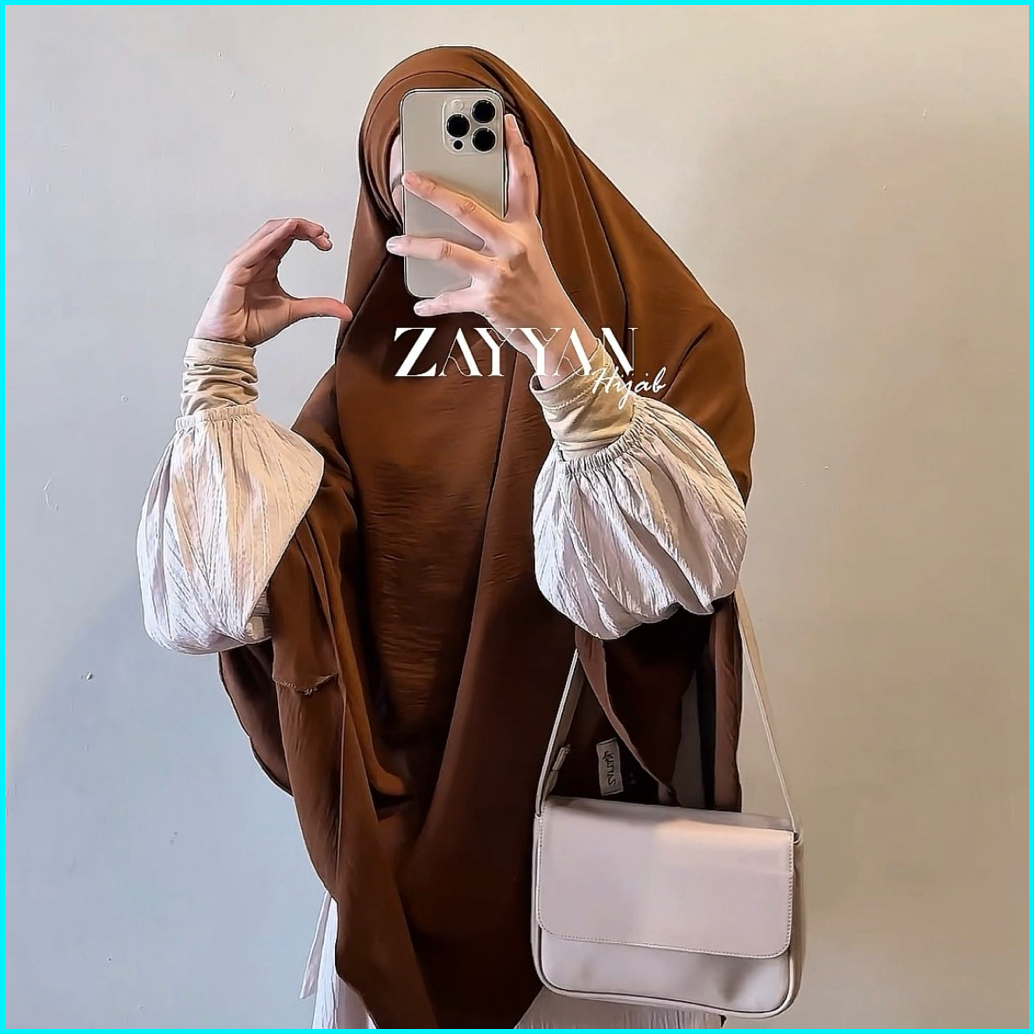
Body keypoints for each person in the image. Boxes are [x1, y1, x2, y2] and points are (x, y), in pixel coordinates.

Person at [137, 46, 754, 1030]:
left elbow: (676, 574)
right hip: (399, 864)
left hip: (604, 864)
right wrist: (215, 379)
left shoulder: (671, 338)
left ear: (538, 156)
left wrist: (563, 349)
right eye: (408, 176)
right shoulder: (367, 387)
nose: (444, 196)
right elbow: (233, 602)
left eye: (476, 153)